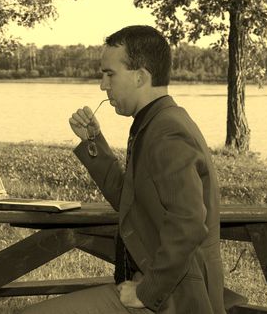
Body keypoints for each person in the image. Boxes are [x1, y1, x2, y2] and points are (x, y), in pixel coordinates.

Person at [19, 25, 225, 314]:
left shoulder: (166, 131)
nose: (103, 85)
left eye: (109, 74)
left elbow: (189, 223)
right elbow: (128, 200)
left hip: (175, 298)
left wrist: (146, 291)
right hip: (157, 286)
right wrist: (93, 143)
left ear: (140, 76)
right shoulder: (153, 123)